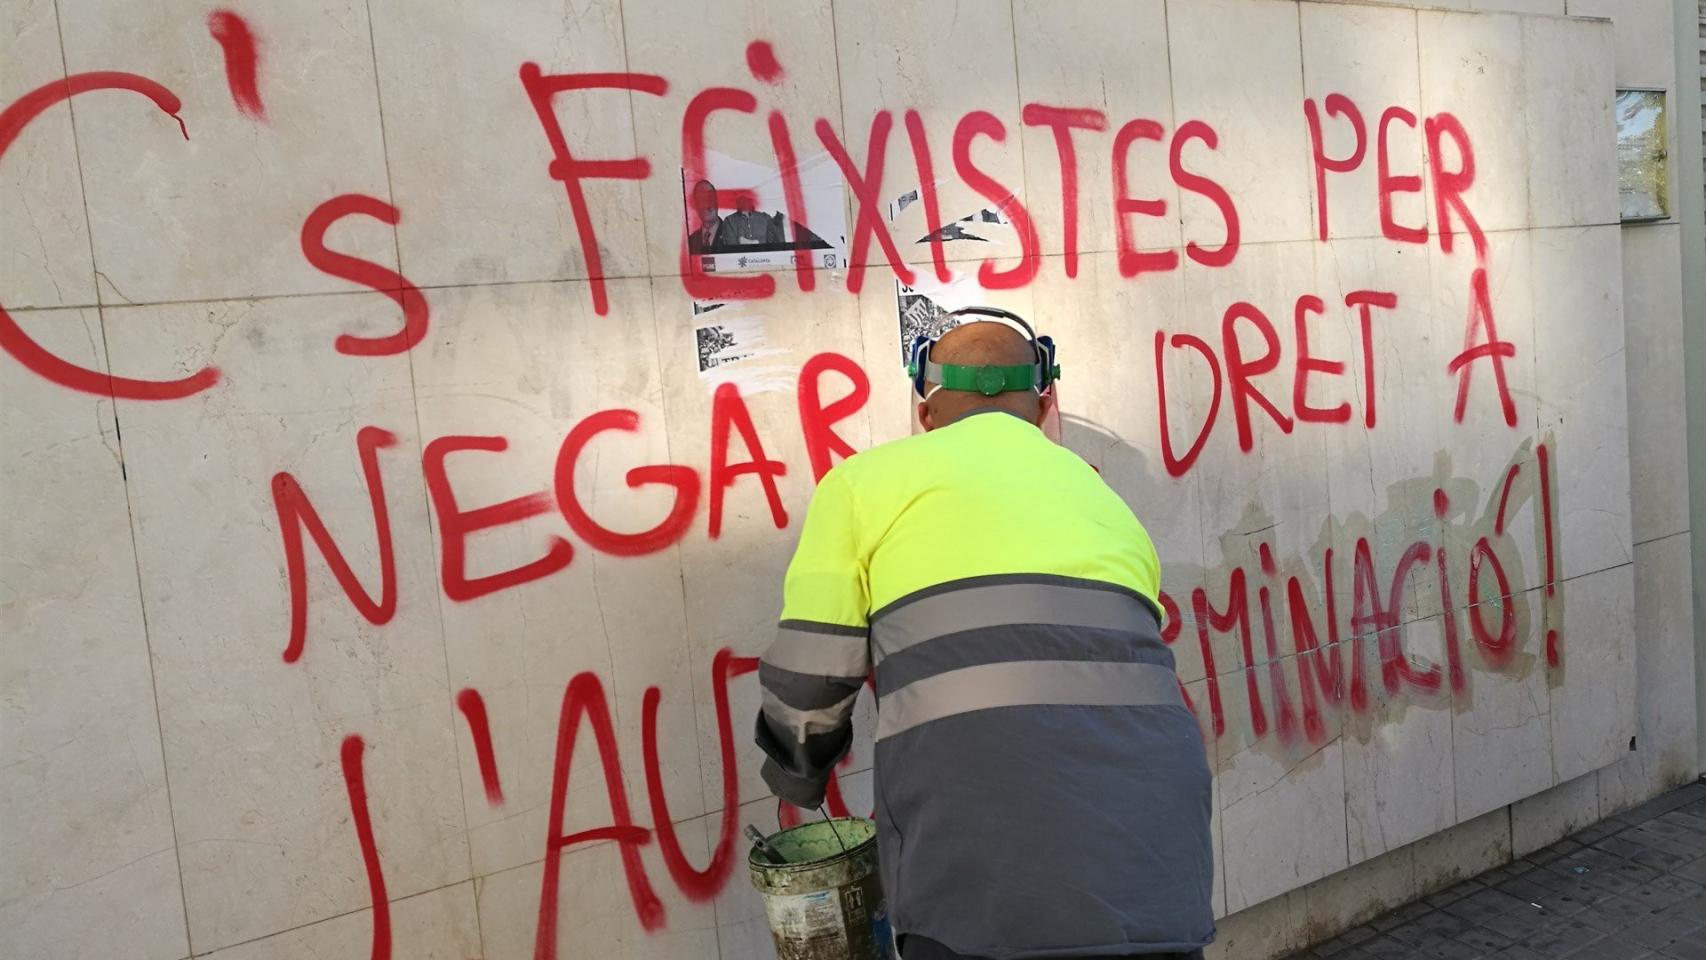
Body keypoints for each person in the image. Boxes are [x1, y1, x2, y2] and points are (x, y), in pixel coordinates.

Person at [755, 311, 1214, 960]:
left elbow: (808, 680)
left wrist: (798, 776)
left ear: (927, 413)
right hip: (1156, 871)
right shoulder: (1099, 495)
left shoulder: (862, 485)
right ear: (1044, 402)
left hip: (976, 873)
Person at [687, 179, 722, 254]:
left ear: (717, 201)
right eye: (702, 200)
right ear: (696, 205)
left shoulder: (733, 235)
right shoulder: (690, 241)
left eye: (710, 199)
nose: (707, 205)